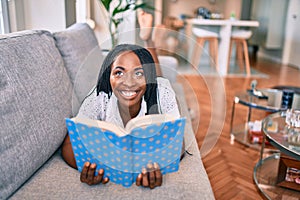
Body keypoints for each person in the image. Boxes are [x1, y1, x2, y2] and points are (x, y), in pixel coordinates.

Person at [61, 10, 180, 189]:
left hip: (156, 88)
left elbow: (178, 142)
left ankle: (148, 40)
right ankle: (147, 42)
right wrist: (87, 167)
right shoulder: (100, 96)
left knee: (159, 81)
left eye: (138, 73)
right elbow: (70, 143)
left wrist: (157, 167)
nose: (129, 82)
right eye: (119, 72)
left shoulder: (161, 92)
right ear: (108, 77)